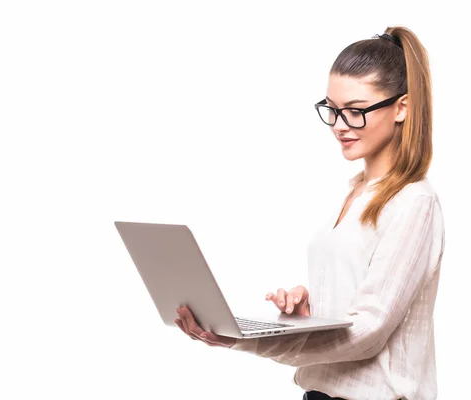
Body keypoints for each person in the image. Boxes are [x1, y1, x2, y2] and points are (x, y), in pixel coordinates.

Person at [174, 25, 445, 400]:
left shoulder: (414, 201)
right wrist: (311, 313)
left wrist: (245, 339)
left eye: (355, 111)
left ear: (402, 108)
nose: (339, 125)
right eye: (332, 110)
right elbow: (355, 302)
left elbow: (367, 332)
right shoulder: (353, 191)